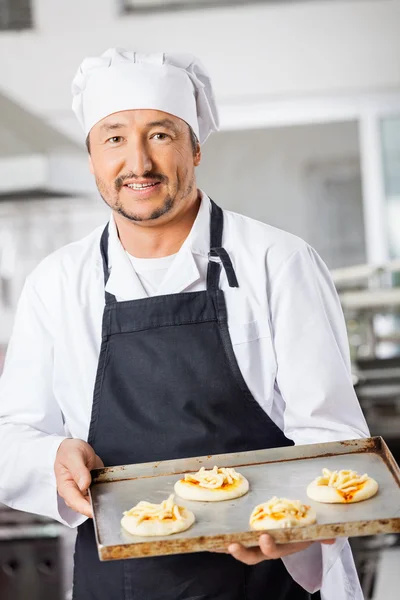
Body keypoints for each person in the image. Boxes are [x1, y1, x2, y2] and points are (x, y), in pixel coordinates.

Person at [0, 49, 368, 600]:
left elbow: (335, 438)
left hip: (267, 574)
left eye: (161, 135)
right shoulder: (56, 283)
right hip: (121, 583)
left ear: (195, 146)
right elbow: (12, 435)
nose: (138, 164)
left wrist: (300, 522)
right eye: (115, 138)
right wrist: (52, 457)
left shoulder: (278, 262)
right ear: (92, 155)